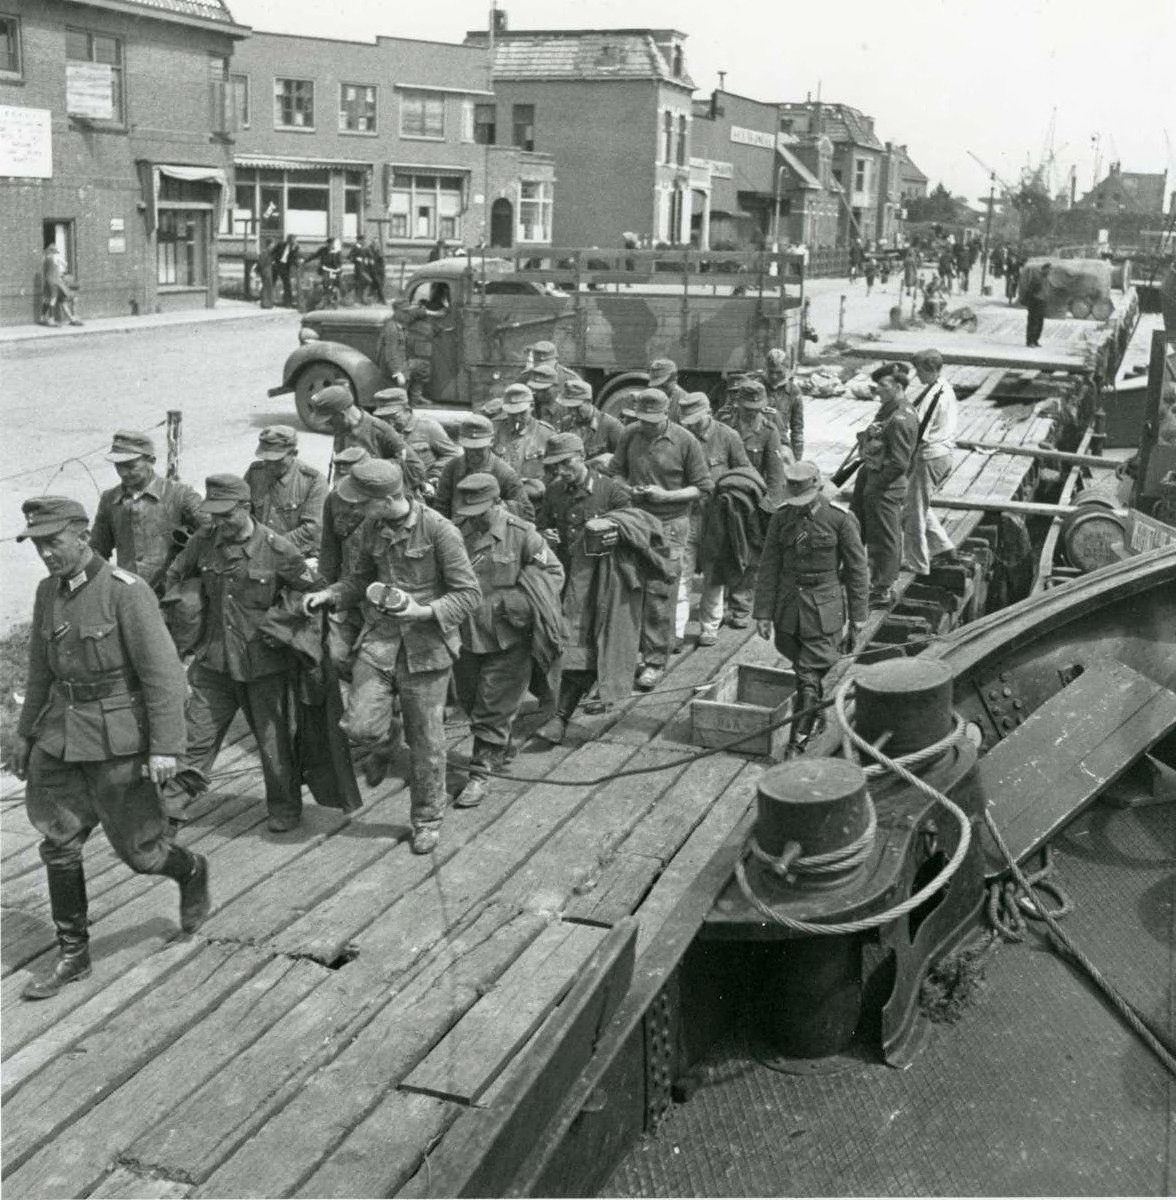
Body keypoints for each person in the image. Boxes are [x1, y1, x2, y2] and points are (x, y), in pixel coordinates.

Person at [12, 496, 209, 1000]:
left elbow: (163, 675)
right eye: (38, 545)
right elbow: (40, 670)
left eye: (54, 542)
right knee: (58, 841)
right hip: (60, 738)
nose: (47, 554)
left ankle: (189, 870)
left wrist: (166, 748)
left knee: (141, 853)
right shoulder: (46, 594)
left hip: (119, 741)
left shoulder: (127, 591)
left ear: (82, 535)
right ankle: (73, 953)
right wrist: (24, 733)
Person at [304, 460, 481, 855]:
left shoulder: (439, 531)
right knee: (360, 727)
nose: (354, 512)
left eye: (362, 504)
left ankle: (427, 820)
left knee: (429, 743)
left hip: (427, 651)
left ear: (387, 500)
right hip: (380, 642)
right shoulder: (371, 527)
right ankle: (387, 736)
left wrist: (424, 612)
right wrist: (332, 594)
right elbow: (360, 579)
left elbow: (469, 594)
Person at [163, 475, 319, 832]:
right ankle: (170, 809)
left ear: (246, 508)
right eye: (213, 514)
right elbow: (174, 575)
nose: (218, 522)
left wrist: (280, 627)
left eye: (225, 515)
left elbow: (310, 594)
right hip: (213, 661)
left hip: (264, 665)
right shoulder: (203, 542)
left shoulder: (280, 550)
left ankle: (284, 807)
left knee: (273, 742)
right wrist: (183, 608)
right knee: (193, 736)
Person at [450, 474, 564, 807]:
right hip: (468, 633)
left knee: (492, 703)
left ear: (498, 503)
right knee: (471, 699)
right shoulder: (458, 533)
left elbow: (553, 574)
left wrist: (519, 603)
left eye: (482, 510)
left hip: (509, 635)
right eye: (469, 510)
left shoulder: (523, 534)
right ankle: (500, 742)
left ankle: (480, 773)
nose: (475, 517)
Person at [754, 462, 869, 756]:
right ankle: (815, 716)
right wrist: (763, 612)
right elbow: (769, 566)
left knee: (807, 673)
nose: (798, 507)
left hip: (823, 610)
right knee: (804, 670)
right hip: (788, 611)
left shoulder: (839, 520)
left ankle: (798, 742)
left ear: (818, 489)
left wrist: (858, 616)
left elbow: (857, 570)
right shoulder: (781, 518)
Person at [533, 433, 641, 741]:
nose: (562, 472)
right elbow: (542, 526)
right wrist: (546, 534)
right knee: (570, 643)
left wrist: (612, 532)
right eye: (555, 466)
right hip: (569, 582)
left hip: (606, 584)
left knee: (597, 644)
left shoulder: (611, 491)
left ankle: (562, 716)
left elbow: (635, 527)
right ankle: (560, 711)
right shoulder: (554, 492)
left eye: (566, 463)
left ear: (582, 456)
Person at [612, 388, 712, 689]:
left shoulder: (685, 441)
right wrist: (627, 489)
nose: (647, 426)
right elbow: (615, 472)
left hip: (671, 525)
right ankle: (633, 655)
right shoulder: (630, 434)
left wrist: (665, 495)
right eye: (642, 419)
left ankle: (655, 660)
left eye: (653, 421)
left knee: (659, 594)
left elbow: (703, 487)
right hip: (635, 521)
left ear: (666, 414)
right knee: (630, 588)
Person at [677, 392, 752, 644]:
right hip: (687, 514)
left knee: (714, 573)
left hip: (717, 518)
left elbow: (744, 474)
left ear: (708, 412)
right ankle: (676, 632)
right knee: (681, 573)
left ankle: (710, 626)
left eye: (697, 419)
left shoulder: (728, 437)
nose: (693, 425)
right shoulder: (680, 437)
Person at [90, 430, 205, 594]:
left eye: (130, 466)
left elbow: (212, 534)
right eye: (118, 466)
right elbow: (98, 549)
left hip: (174, 595)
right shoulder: (110, 500)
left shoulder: (181, 494)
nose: (123, 473)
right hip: (129, 594)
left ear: (151, 461)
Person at [852, 362, 919, 608]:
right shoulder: (888, 410)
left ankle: (883, 589)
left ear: (898, 387)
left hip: (886, 486)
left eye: (882, 385)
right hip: (875, 478)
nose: (876, 389)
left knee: (884, 538)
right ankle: (871, 579)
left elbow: (900, 463)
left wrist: (876, 485)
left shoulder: (900, 417)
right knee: (870, 531)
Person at [903, 349, 958, 576]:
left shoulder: (934, 396)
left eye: (919, 371)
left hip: (930, 456)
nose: (917, 376)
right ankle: (943, 546)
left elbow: (919, 431)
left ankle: (918, 563)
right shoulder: (945, 388)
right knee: (917, 502)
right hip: (944, 453)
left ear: (929, 369)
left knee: (914, 510)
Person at [318, 446, 372, 676]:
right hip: (346, 591)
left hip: (380, 598)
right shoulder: (333, 500)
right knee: (337, 656)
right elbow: (329, 550)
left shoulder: (386, 501)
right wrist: (324, 590)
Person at [243, 426, 327, 559]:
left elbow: (313, 529)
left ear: (294, 453)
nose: (270, 466)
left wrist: (269, 545)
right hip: (256, 552)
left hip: (296, 554)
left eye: (277, 461)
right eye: (266, 460)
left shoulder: (313, 481)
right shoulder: (255, 473)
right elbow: (243, 512)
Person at [435, 412, 529, 520]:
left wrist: (495, 506)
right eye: (467, 448)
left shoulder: (505, 473)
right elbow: (441, 507)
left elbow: (526, 512)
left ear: (492, 442)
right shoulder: (452, 468)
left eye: (478, 449)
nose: (472, 453)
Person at [372, 387, 460, 488]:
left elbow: (451, 454)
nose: (390, 424)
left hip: (425, 485)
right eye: (384, 419)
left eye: (394, 418)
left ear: (407, 410)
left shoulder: (428, 426)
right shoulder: (379, 431)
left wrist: (435, 475)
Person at [721, 378, 787, 513]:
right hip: (725, 495)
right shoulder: (724, 423)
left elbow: (776, 476)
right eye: (748, 409)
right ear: (738, 403)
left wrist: (768, 507)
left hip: (754, 498)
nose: (753, 413)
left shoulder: (768, 431)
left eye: (757, 409)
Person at [552, 378, 624, 468]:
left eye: (577, 407)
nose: (573, 412)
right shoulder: (565, 424)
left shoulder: (611, 426)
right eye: (569, 408)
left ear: (589, 401)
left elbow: (622, 462)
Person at [492, 384, 555, 484]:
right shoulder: (496, 430)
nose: (517, 418)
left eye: (522, 413)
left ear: (532, 406)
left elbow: (554, 472)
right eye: (512, 414)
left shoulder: (546, 434)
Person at [763, 348, 805, 460]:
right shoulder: (757, 387)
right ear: (766, 369)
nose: (774, 376)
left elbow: (797, 428)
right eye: (771, 372)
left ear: (786, 370)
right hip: (757, 443)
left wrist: (797, 458)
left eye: (779, 372)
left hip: (780, 444)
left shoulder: (793, 392)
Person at [40, 243, 82, 326]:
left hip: (47, 281)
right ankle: (52, 319)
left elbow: (45, 271)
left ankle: (43, 317)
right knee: (55, 299)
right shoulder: (56, 257)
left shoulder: (45, 259)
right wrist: (61, 271)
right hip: (55, 281)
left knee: (48, 300)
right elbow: (65, 264)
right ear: (55, 251)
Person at [647, 358, 690, 423]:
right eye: (656, 386)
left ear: (675, 379)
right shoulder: (648, 396)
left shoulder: (685, 402)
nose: (659, 390)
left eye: (664, 386)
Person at [307, 237, 345, 306]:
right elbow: (314, 255)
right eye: (329, 244)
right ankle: (324, 299)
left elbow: (339, 262)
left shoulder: (337, 252)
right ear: (327, 244)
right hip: (325, 269)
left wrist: (339, 268)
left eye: (332, 244)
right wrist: (305, 260)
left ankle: (339, 298)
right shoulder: (323, 250)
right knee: (326, 283)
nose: (331, 246)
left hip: (334, 270)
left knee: (338, 283)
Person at [1024, 261, 1050, 347]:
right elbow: (1030, 291)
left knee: (1040, 323)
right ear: (1043, 270)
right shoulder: (1037, 278)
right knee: (1033, 322)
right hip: (1035, 302)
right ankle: (1030, 341)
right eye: (1047, 270)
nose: (1049, 272)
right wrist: (1029, 302)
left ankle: (1035, 340)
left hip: (1042, 302)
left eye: (1049, 270)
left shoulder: (1047, 279)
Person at [272, 234, 301, 308]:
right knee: (272, 282)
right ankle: (269, 300)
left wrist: (293, 250)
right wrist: (274, 261)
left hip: (285, 267)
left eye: (295, 240)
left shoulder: (295, 248)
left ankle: (287, 303)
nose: (294, 241)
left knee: (287, 285)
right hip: (277, 265)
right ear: (289, 240)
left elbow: (295, 258)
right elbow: (273, 252)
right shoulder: (281, 244)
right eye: (293, 240)